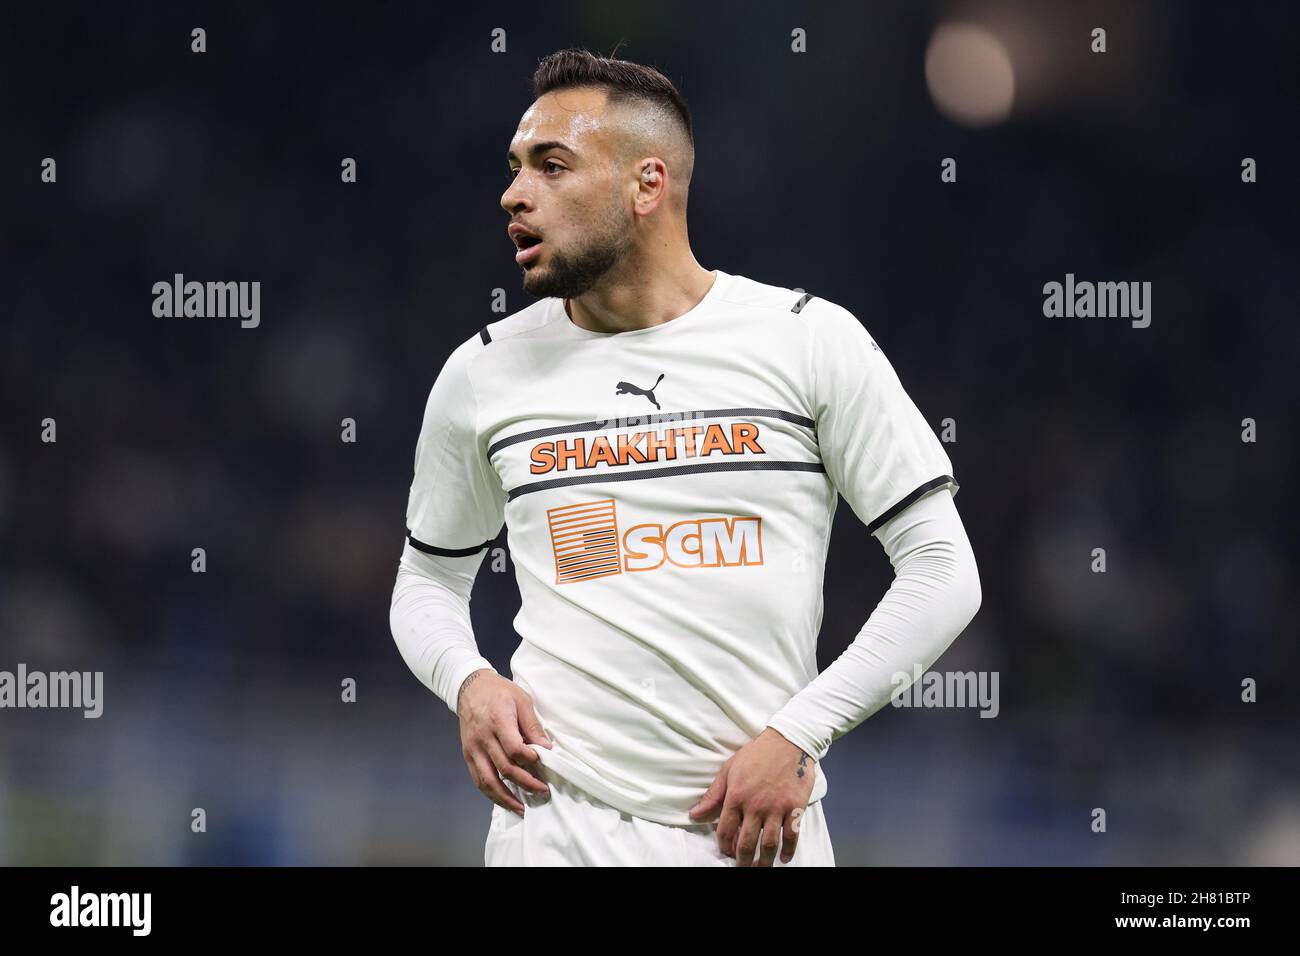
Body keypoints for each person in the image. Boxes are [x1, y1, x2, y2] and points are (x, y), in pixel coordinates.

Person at [389, 48, 981, 867]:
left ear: (648, 185)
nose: (514, 194)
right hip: (555, 827)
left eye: (552, 166)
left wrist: (802, 733)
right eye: (516, 168)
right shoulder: (483, 372)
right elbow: (426, 580)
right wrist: (470, 680)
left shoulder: (807, 341)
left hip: (756, 833)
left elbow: (944, 566)